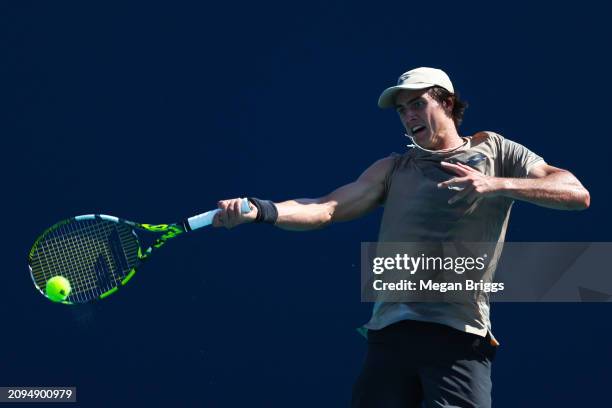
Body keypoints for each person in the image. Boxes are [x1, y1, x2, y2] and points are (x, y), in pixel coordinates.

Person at [212, 67, 590, 407]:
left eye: (417, 104)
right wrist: (262, 209)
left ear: (447, 102)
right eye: (402, 110)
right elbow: (325, 207)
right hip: (391, 337)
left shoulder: (495, 150)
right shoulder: (392, 168)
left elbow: (575, 193)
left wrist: (495, 184)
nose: (409, 116)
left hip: (459, 337)